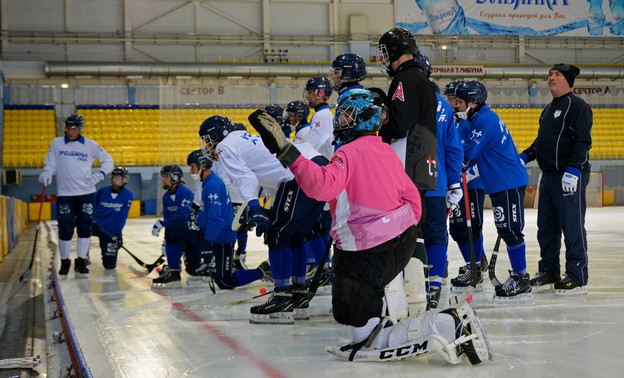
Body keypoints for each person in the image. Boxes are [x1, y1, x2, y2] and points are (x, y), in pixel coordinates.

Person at [248, 88, 491, 365]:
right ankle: (400, 321)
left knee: (362, 329)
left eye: (347, 115)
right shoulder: (384, 150)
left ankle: (446, 324)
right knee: (365, 312)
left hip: (366, 248)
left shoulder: (349, 152)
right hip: (399, 239)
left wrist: (287, 152)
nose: (340, 120)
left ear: (364, 117)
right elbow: (412, 200)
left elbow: (322, 185)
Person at [199, 115, 328, 323]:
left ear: (218, 134)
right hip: (316, 165)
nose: (207, 145)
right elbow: (271, 180)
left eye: (208, 139)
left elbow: (246, 178)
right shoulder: (245, 139)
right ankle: (298, 297)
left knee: (277, 235)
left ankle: (282, 298)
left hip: (298, 170)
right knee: (294, 235)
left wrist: (253, 205)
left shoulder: (225, 146)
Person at [455, 80, 531, 301]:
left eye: (460, 102)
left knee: (510, 230)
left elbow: (468, 151)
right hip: (501, 182)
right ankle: (519, 276)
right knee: (507, 228)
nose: (458, 106)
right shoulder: (480, 117)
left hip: (507, 181)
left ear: (473, 102)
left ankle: (522, 278)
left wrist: (456, 131)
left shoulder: (484, 120)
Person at [520, 63, 592, 295]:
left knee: (572, 226)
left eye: (557, 75)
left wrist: (574, 170)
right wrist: (526, 155)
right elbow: (541, 141)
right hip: (549, 177)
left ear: (567, 81)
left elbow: (582, 141)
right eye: (550, 74)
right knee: (546, 228)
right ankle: (549, 269)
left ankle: (576, 275)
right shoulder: (548, 109)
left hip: (569, 176)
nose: (551, 78)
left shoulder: (577, 106)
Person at [376, 27, 438, 269]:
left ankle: (405, 290)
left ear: (395, 51)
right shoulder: (424, 81)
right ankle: (418, 288)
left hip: (406, 164)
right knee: (415, 228)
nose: (382, 58)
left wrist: (381, 120)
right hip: (423, 164)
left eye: (384, 52)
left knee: (402, 231)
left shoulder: (404, 79)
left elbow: (399, 126)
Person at [413, 53, 464, 309]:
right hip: (436, 181)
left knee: (409, 234)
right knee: (436, 234)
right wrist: (454, 181)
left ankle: (414, 285)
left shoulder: (404, 102)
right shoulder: (443, 105)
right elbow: (454, 149)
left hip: (408, 184)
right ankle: (434, 286)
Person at [38, 114, 114, 278]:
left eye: (74, 128)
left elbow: (108, 160)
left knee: (85, 227)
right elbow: (50, 163)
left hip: (86, 193)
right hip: (65, 194)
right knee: (65, 228)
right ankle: (65, 262)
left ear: (80, 129)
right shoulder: (57, 143)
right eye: (69, 128)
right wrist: (46, 173)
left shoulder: (90, 145)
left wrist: (100, 174)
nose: (71, 131)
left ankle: (81, 261)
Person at [194, 150, 271, 289]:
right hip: (218, 236)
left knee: (225, 281)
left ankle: (262, 271)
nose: (191, 171)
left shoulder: (213, 185)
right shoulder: (208, 183)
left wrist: (207, 241)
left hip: (222, 237)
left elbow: (216, 218)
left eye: (193, 167)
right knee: (220, 279)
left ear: (202, 166)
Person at [444, 81, 488, 291]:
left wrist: (470, 174)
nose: (453, 102)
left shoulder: (470, 121)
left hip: (471, 184)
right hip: (460, 183)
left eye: (455, 99)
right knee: (460, 227)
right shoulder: (457, 121)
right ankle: (477, 261)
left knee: (470, 227)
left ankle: (475, 265)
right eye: (452, 98)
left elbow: (475, 152)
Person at [151, 165, 196, 287]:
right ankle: (173, 270)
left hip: (193, 232)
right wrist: (165, 239)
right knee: (172, 230)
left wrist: (162, 224)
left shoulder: (185, 192)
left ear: (175, 178)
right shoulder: (166, 197)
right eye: (163, 177)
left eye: (166, 177)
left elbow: (183, 215)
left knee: (193, 269)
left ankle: (176, 268)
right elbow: (168, 220)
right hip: (179, 232)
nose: (163, 180)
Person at [91, 166, 133, 269]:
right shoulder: (102, 191)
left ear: (125, 180)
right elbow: (93, 206)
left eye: (118, 178)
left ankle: (112, 247)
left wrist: (116, 232)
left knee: (109, 265)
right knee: (83, 231)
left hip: (110, 230)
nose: (115, 180)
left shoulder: (128, 195)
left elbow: (123, 216)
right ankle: (84, 257)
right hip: (96, 225)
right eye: (114, 177)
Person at [302, 76, 334, 160]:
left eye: (309, 92)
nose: (307, 96)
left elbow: (312, 145)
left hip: (322, 165)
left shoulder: (322, 115)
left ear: (319, 93)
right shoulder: (323, 114)